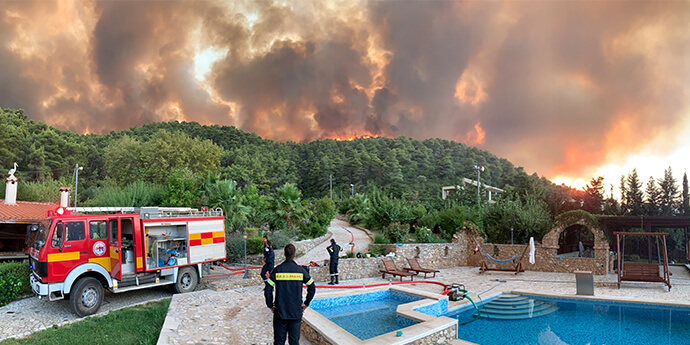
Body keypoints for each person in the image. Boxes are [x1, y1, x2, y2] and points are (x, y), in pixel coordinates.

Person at [264, 243, 316, 345]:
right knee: (294, 342)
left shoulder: (277, 270)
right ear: (294, 255)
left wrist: (270, 305)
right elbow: (312, 287)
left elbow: (268, 289)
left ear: (284, 254)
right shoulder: (301, 271)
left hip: (280, 313)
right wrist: (306, 303)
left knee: (279, 341)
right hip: (296, 313)